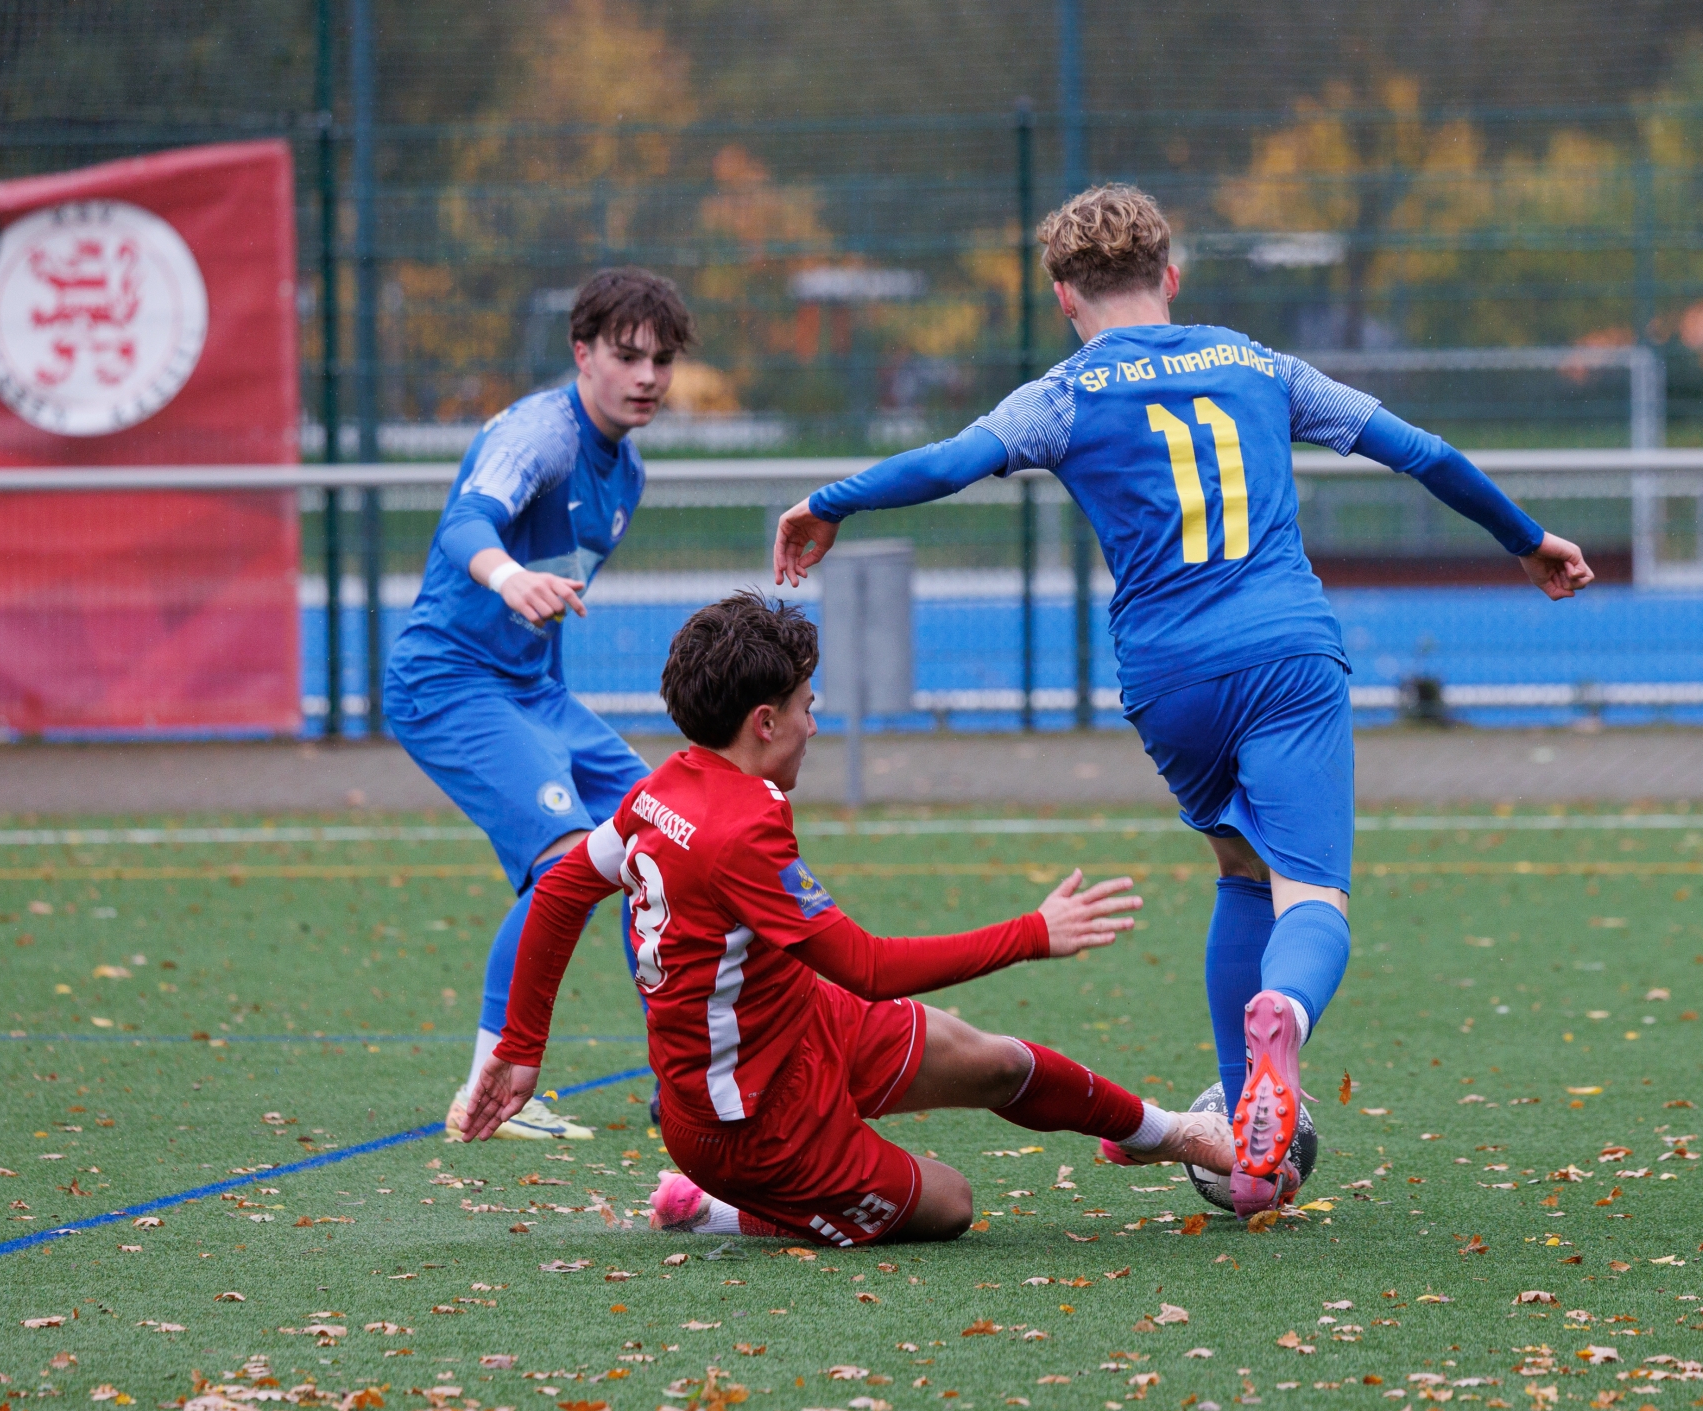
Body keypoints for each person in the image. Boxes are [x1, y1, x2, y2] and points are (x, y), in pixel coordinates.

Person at [770, 185, 1594, 1215]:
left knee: (1240, 868)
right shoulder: (1260, 365)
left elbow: (951, 464)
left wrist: (828, 502)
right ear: (1171, 275)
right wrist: (1527, 538)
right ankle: (1283, 1018)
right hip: (1286, 653)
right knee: (1311, 896)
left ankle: (1249, 1139)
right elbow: (1419, 452)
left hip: (1168, 679)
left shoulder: (1063, 395)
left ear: (1063, 295)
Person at [460, 592, 1237, 1243]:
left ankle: (1170, 1133)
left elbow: (562, 889)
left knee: (997, 1062)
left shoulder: (667, 783)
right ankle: (715, 1208)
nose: (815, 723)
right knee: (951, 1202)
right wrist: (1031, 933)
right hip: (748, 1126)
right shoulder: (739, 829)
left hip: (799, 1023)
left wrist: (520, 1045)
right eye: (806, 706)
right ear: (765, 722)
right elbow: (866, 966)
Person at [384, 267, 694, 1141]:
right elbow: (465, 524)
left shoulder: (627, 472)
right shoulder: (539, 434)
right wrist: (508, 575)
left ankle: (684, 1077)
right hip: (447, 681)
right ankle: (488, 1085)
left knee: (668, 838)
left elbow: (550, 602)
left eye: (661, 360)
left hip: (532, 692)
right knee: (569, 863)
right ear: (581, 353)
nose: (646, 376)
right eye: (627, 356)